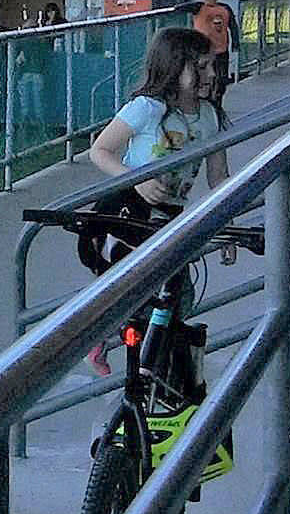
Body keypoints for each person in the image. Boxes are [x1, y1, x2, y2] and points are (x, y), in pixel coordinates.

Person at [76, 27, 230, 374]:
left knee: (179, 296)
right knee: (133, 289)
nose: (211, 75)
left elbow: (218, 176)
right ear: (174, 68)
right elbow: (100, 151)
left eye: (211, 66)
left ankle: (151, 368)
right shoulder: (146, 108)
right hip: (130, 210)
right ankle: (107, 336)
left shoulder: (210, 116)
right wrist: (139, 180)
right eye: (201, 67)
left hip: (170, 215)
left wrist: (227, 223)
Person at [190, 0, 235, 104]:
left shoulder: (225, 9)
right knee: (202, 77)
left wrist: (236, 43)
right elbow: (179, 8)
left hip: (221, 50)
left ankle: (217, 101)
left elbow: (233, 26)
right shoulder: (198, 8)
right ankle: (204, 101)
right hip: (202, 51)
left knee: (221, 79)